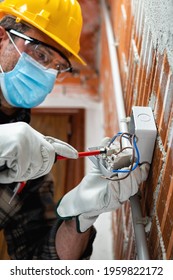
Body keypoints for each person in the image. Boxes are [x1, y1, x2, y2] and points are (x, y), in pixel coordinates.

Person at [0, 0, 149, 260]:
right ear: (2, 38)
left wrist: (82, 215)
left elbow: (41, 268)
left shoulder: (29, 169)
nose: (48, 74)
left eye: (58, 68)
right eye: (41, 55)